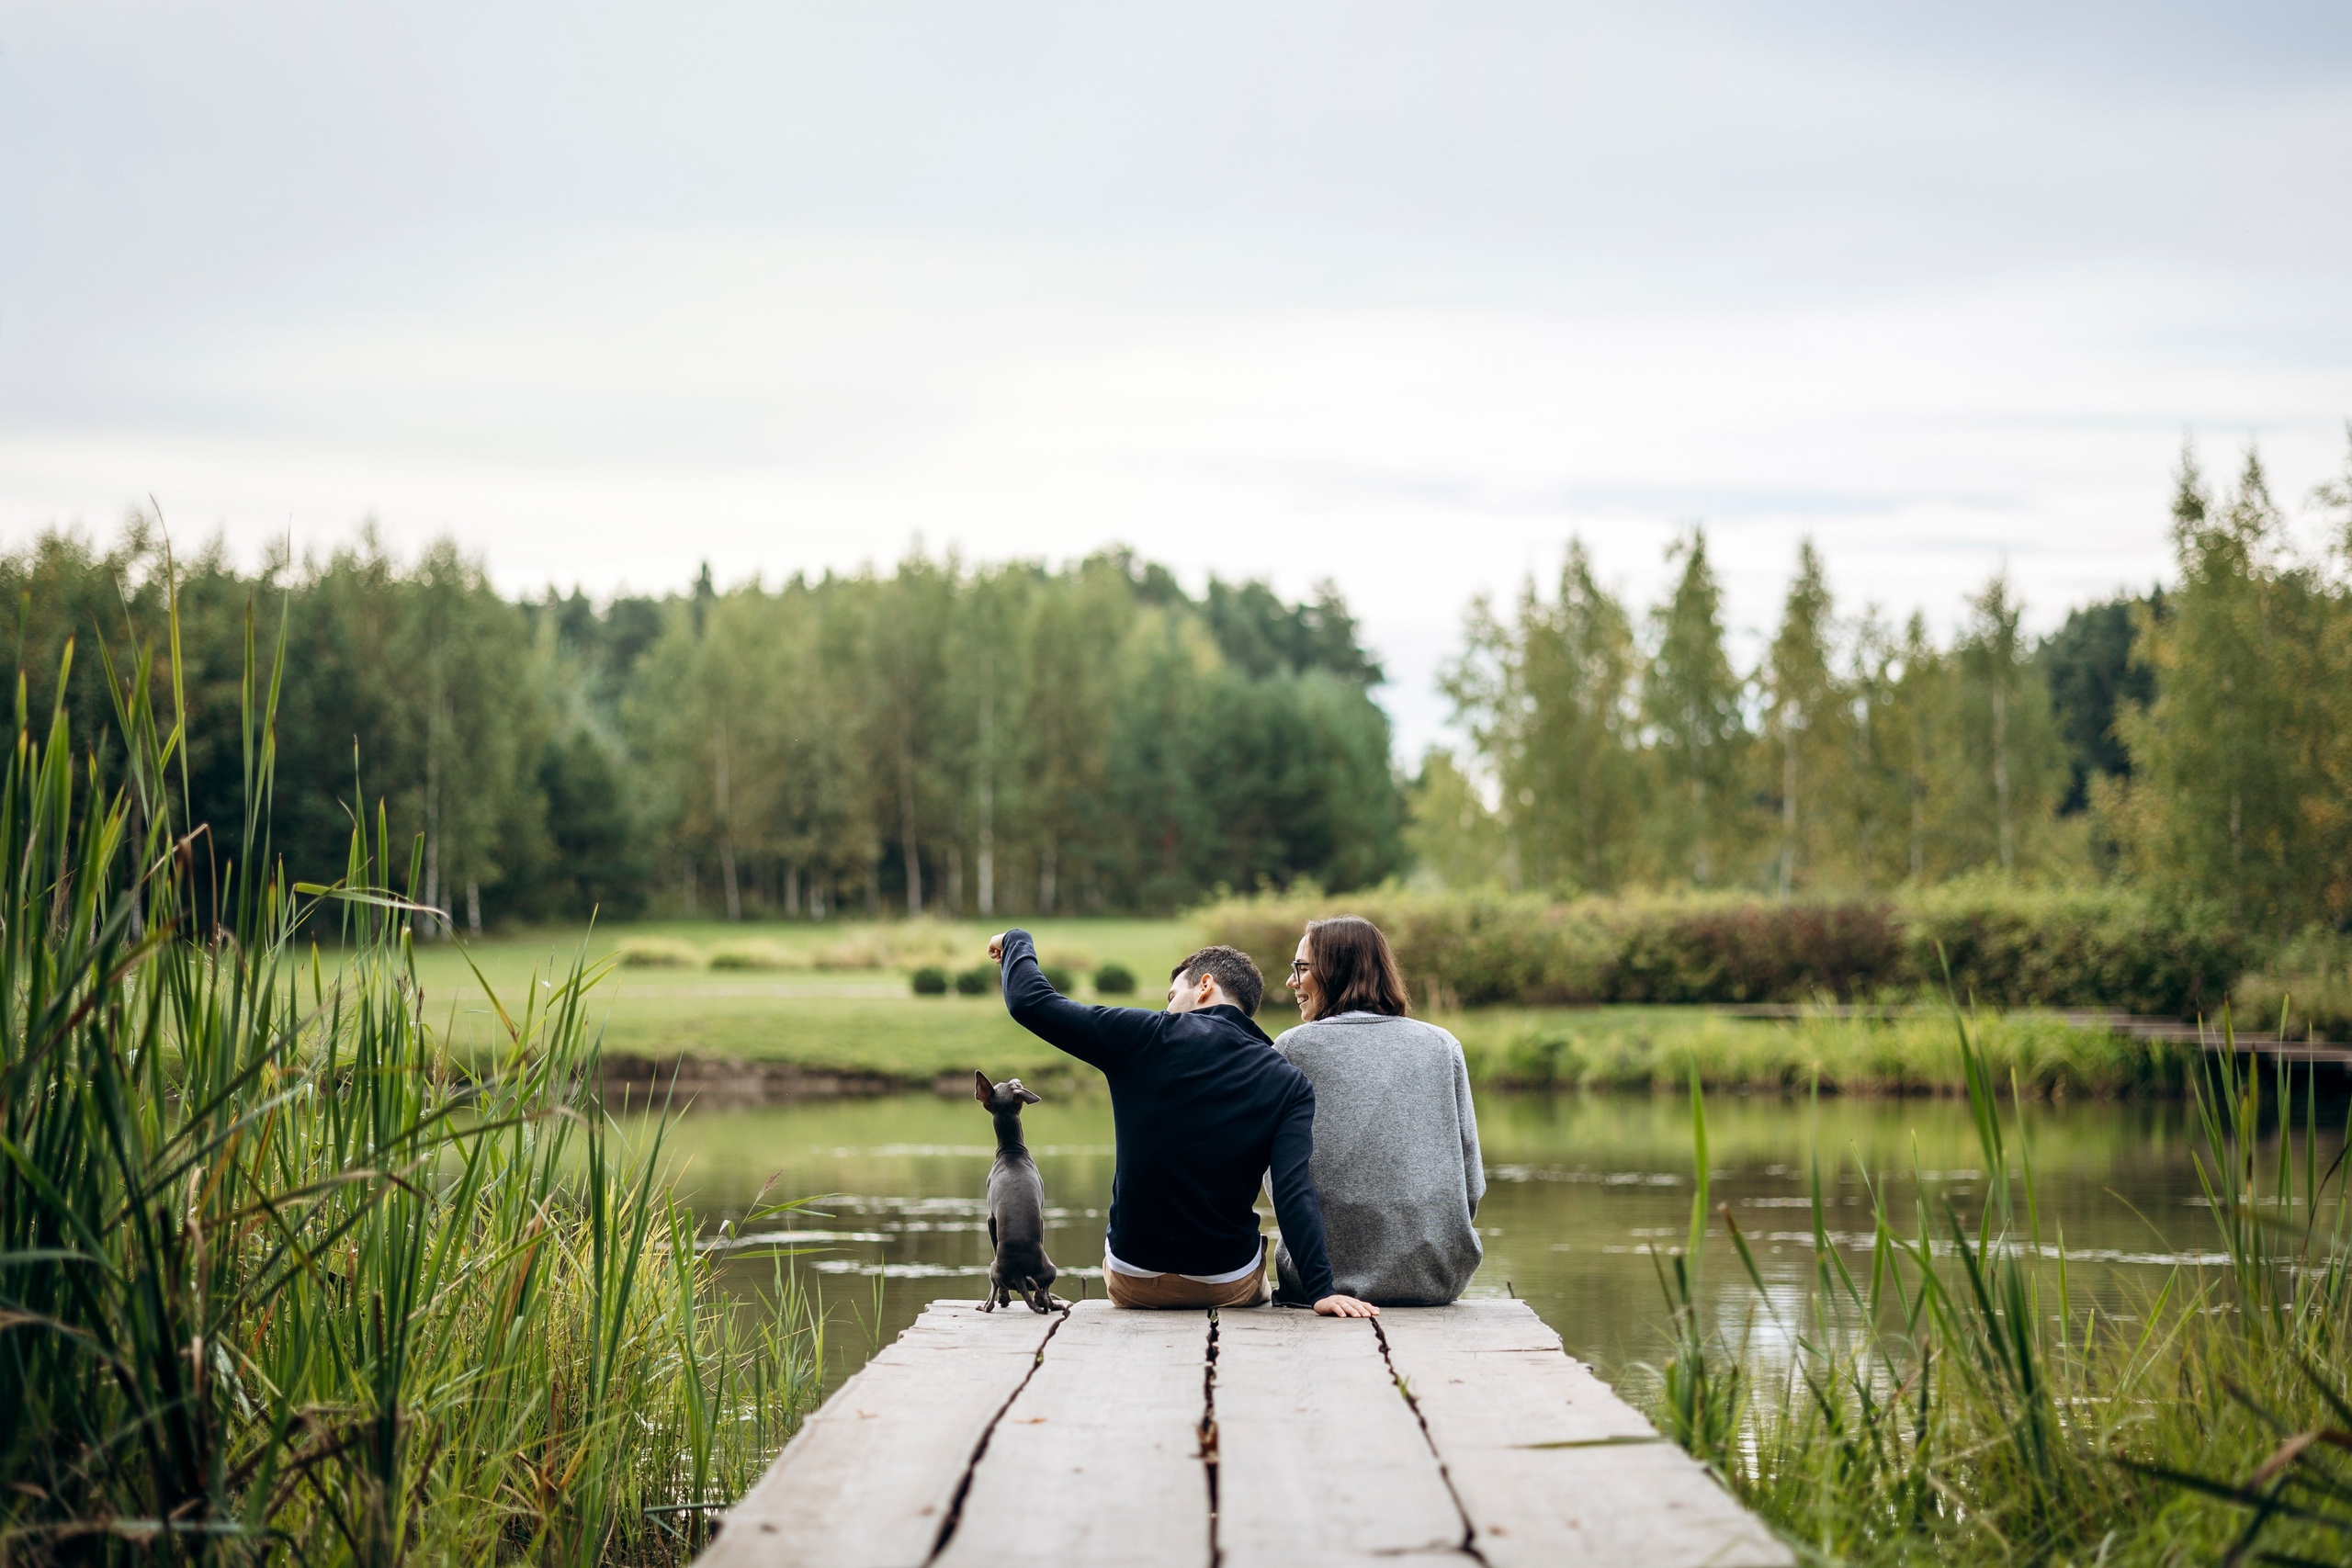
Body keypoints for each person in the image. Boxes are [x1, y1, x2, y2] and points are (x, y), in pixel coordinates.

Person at [986, 929, 1379, 1317]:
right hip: (1228, 1282)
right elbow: (1294, 1190)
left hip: (1132, 1279)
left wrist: (1016, 939)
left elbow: (1030, 1002)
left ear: (1205, 986)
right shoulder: (1288, 1081)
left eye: (1173, 996)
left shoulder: (1144, 1036)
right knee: (1256, 1276)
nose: (1168, 1008)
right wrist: (1320, 1290)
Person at [1272, 916, 1485, 1305]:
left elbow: (1278, 1180)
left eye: (1300, 968)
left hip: (1321, 1281)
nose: (1291, 982)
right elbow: (1471, 1179)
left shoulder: (1292, 1049)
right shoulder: (1442, 1045)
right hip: (1435, 1279)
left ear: (1335, 970)